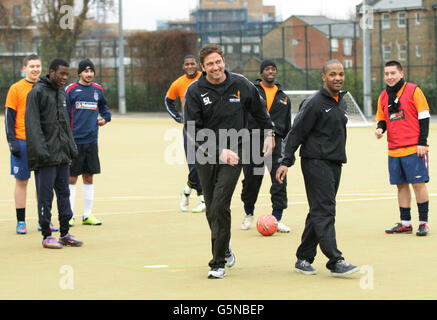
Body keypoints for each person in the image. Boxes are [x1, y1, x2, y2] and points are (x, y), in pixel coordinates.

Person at [184, 44, 276, 279]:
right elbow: (193, 131)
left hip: (236, 151)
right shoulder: (195, 91)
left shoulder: (241, 84)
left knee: (220, 204)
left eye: (218, 62)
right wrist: (217, 151)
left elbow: (260, 113)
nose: (215, 67)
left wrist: (269, 134)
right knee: (211, 209)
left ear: (224, 61)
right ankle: (224, 247)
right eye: (210, 64)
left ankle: (217, 263)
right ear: (203, 68)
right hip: (206, 153)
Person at [276, 59, 359, 277]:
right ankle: (335, 260)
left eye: (340, 74)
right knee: (325, 210)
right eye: (332, 74)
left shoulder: (341, 101)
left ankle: (303, 257)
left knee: (319, 210)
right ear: (323, 77)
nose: (337, 78)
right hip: (315, 162)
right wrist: (285, 161)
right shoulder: (313, 103)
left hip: (334, 162)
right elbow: (296, 132)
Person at [25, 58, 83, 249]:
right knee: (45, 196)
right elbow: (33, 125)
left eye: (67, 74)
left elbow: (65, 123)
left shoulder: (61, 92)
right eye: (61, 74)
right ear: (51, 72)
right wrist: (42, 153)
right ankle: (47, 235)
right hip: (45, 156)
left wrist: (71, 147)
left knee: (64, 193)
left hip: (62, 154)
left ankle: (65, 233)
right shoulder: (37, 92)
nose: (65, 78)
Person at [4, 54, 59, 234]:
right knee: (22, 182)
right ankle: (21, 222)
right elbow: (9, 118)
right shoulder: (15, 89)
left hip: (43, 144)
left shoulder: (47, 87)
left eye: (37, 66)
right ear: (25, 68)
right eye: (31, 66)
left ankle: (44, 221)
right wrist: (12, 142)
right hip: (22, 142)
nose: (35, 69)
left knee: (43, 184)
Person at [375, 60, 430, 237]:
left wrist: (422, 142)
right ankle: (405, 223)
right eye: (386, 74)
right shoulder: (383, 95)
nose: (389, 77)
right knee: (400, 186)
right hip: (394, 149)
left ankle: (424, 223)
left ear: (401, 74)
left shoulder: (414, 90)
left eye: (393, 73)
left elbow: (424, 117)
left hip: (414, 148)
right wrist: (380, 129)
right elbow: (383, 119)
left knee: (418, 184)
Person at [240, 59, 292, 232]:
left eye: (273, 69)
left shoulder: (284, 97)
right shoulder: (252, 91)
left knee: (279, 180)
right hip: (254, 140)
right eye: (267, 69)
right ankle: (248, 214)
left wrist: (284, 143)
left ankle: (277, 218)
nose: (271, 71)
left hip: (275, 144)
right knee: (251, 180)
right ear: (261, 73)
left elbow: (287, 125)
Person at [65, 58, 111, 226]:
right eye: (86, 71)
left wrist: (105, 119)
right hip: (74, 141)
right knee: (71, 178)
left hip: (92, 140)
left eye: (91, 71)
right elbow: (63, 113)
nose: (89, 74)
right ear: (79, 73)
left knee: (89, 177)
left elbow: (104, 108)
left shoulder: (98, 90)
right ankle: (68, 215)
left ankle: (87, 215)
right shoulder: (70, 90)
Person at [165, 55, 205, 213]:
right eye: (187, 64)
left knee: (205, 163)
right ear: (183, 66)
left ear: (198, 65)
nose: (190, 66)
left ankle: (189, 191)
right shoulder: (178, 83)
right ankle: (202, 198)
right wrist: (177, 117)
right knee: (193, 165)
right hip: (189, 128)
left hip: (207, 128)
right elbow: (168, 100)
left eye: (192, 64)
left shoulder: (205, 78)